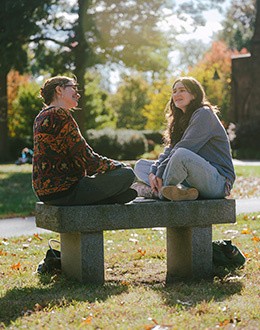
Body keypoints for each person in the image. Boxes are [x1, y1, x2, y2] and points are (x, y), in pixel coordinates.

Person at [32, 75, 137, 206]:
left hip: (45, 194)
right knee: (127, 174)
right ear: (59, 90)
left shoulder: (40, 117)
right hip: (67, 191)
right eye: (74, 88)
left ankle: (108, 198)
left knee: (110, 178)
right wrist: (118, 165)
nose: (78, 94)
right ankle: (109, 198)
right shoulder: (60, 114)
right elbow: (86, 159)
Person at [133, 76, 235, 201]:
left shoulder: (204, 114)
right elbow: (169, 150)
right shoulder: (180, 121)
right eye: (174, 91)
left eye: (182, 90)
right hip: (193, 181)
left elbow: (184, 148)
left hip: (219, 182)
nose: (176, 94)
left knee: (181, 154)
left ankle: (157, 192)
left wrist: (158, 174)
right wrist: (153, 171)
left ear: (194, 95)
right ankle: (180, 192)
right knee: (141, 166)